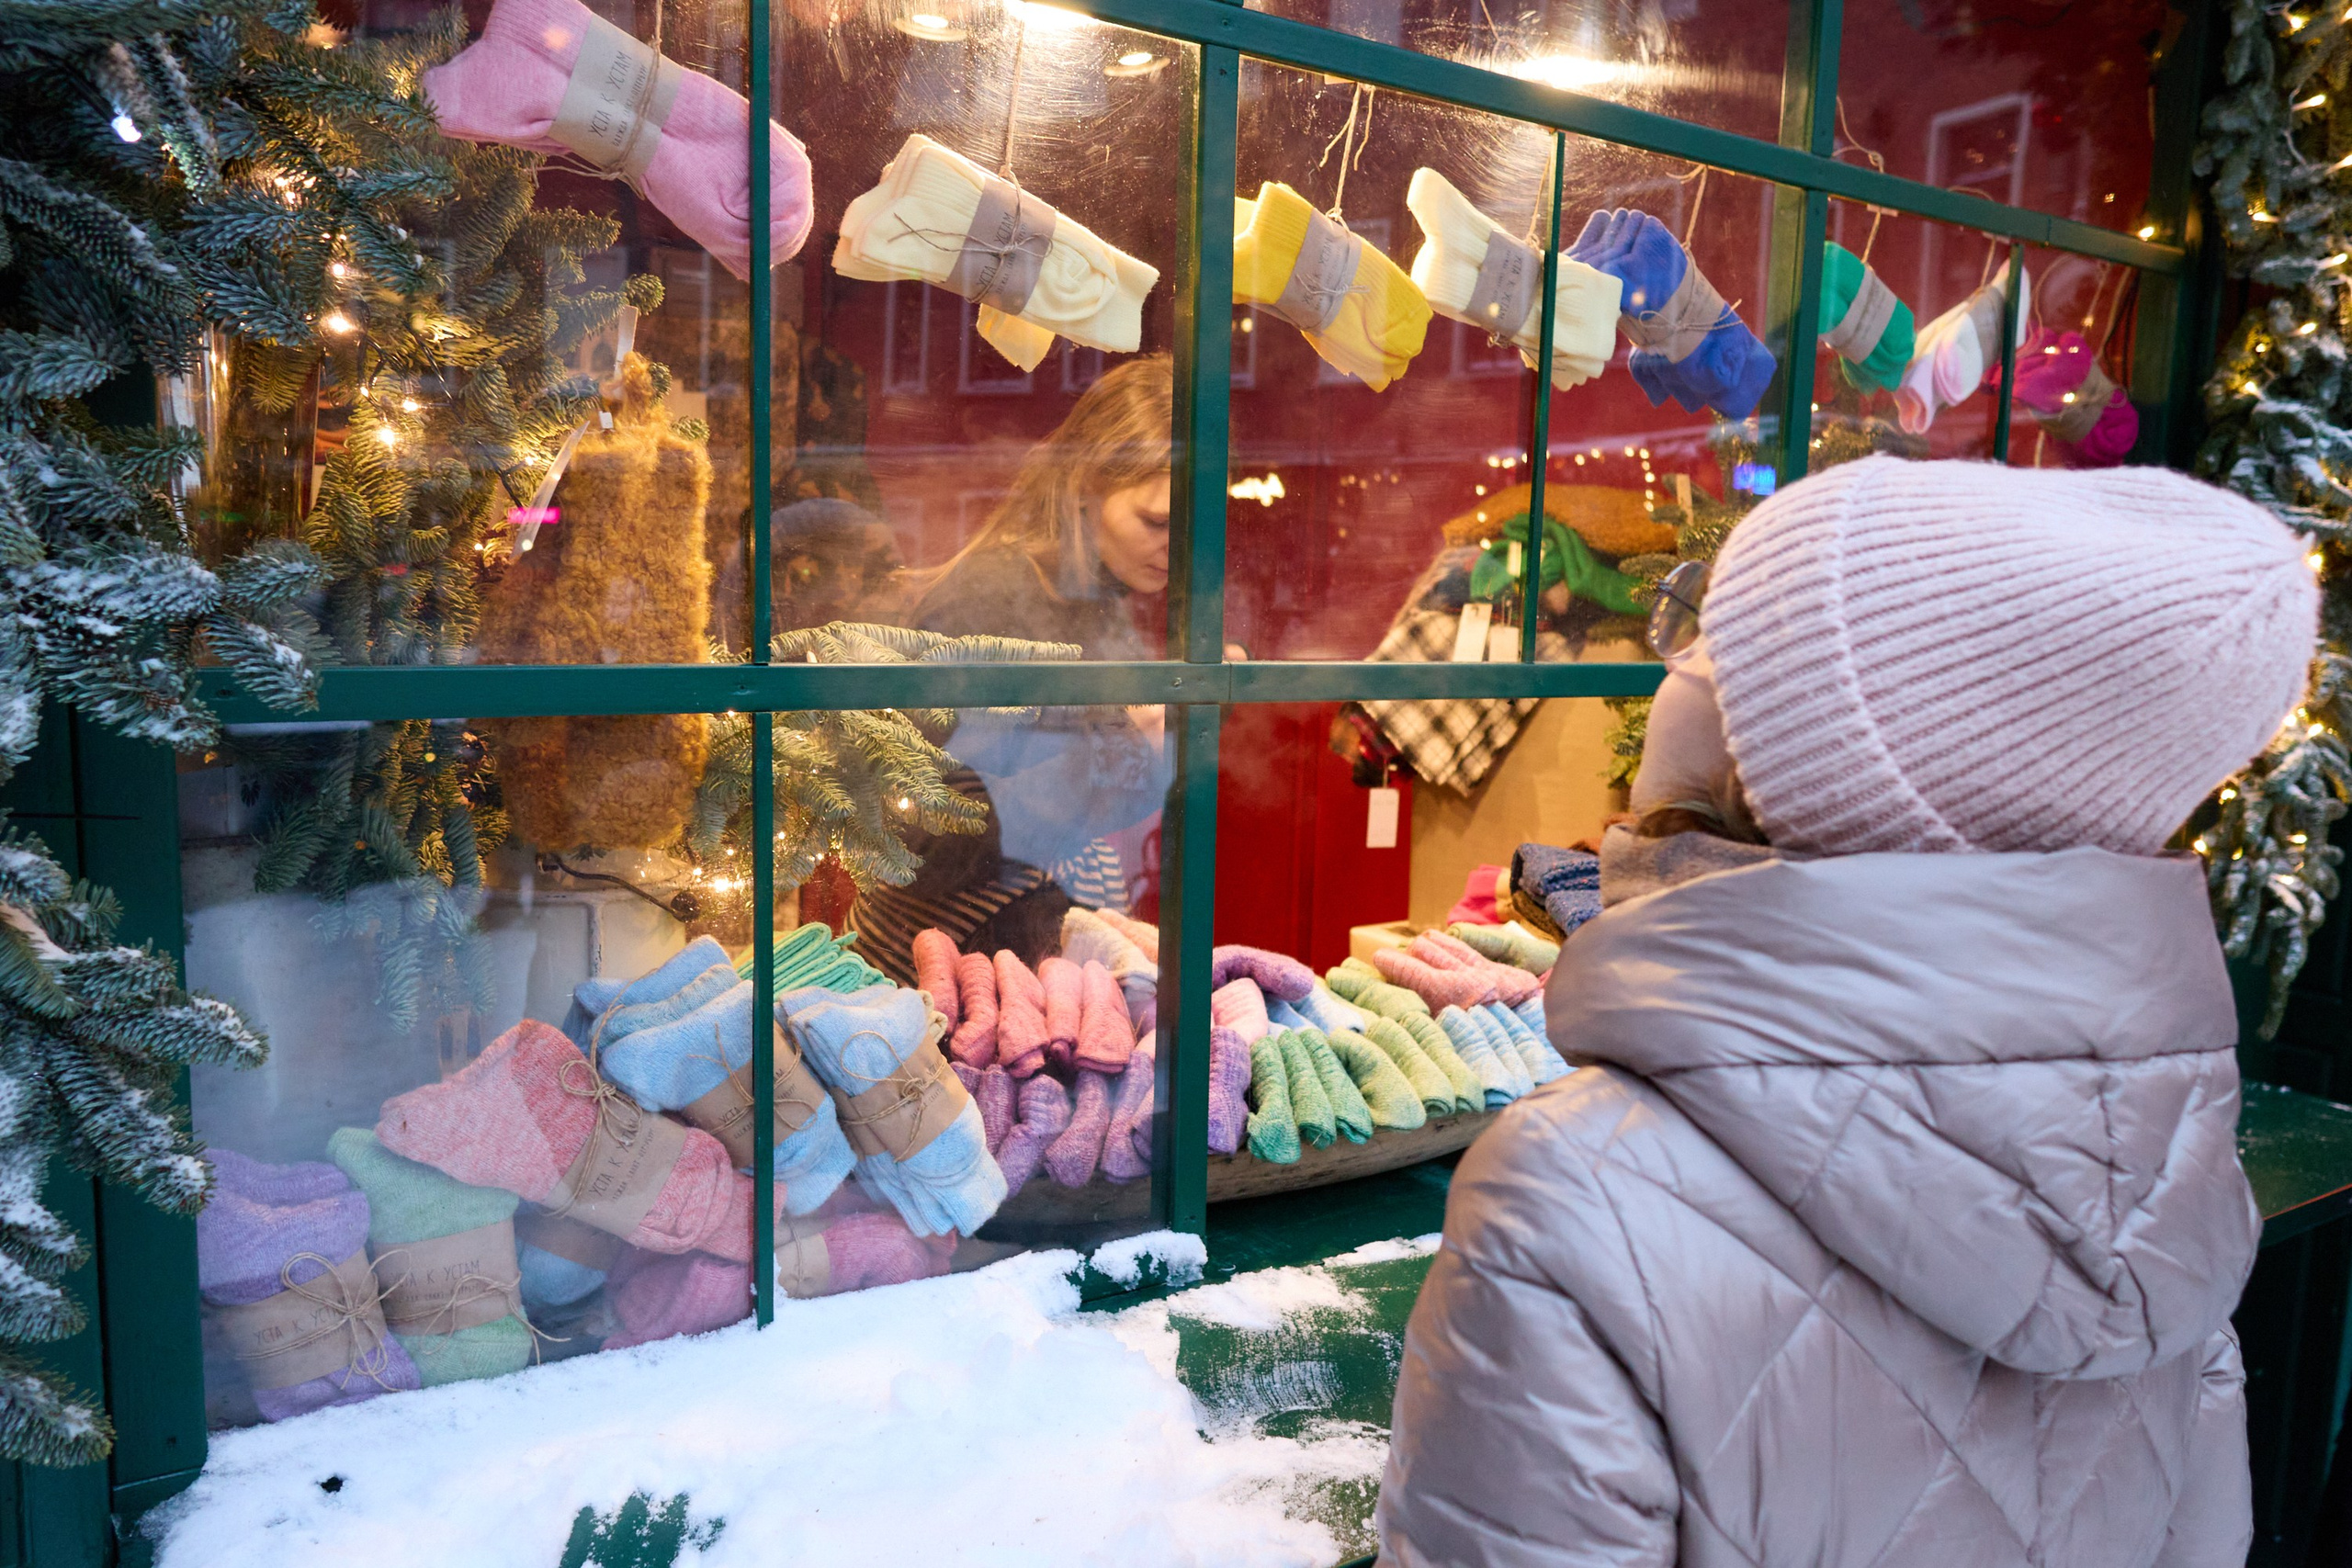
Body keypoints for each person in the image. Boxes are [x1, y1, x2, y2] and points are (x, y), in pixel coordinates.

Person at [1375, 456, 2313, 1568]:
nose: (1668, 660)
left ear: (1777, 757)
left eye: (1709, 636)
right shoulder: (2168, 1182)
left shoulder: (1576, 1190)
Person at [849, 355, 1174, 984]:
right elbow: (921, 842)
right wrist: (1112, 756)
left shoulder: (1097, 600)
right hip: (929, 976)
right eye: (1157, 521)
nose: (1175, 543)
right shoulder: (985, 602)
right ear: (1085, 488)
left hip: (1011, 961)